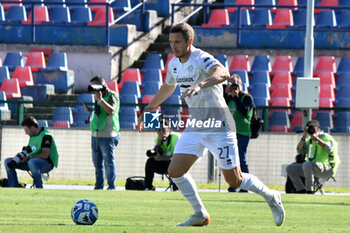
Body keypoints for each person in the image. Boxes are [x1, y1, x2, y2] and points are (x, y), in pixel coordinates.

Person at [138, 22, 285, 227]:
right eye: (171, 42)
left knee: (234, 180)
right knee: (175, 171)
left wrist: (200, 84)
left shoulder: (201, 58)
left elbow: (223, 73)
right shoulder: (173, 63)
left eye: (178, 42)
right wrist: (149, 108)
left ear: (189, 41)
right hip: (196, 125)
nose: (174, 46)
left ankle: (271, 196)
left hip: (220, 125)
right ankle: (200, 214)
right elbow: (168, 86)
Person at [286, 119, 340, 193]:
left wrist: (317, 139)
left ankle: (310, 190)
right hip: (311, 167)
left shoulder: (326, 137)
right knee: (290, 168)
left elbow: (329, 148)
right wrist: (304, 135)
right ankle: (300, 190)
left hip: (327, 168)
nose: (311, 131)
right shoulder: (309, 140)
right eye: (309, 129)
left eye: (313, 129)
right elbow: (299, 150)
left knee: (307, 164)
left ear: (318, 128)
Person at [85, 75, 120, 190]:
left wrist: (100, 100)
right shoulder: (97, 97)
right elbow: (100, 113)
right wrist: (91, 111)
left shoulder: (112, 95)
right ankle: (99, 186)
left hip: (108, 134)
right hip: (95, 134)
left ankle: (111, 186)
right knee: (97, 164)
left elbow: (111, 111)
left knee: (108, 162)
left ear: (102, 86)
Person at [4, 116, 59, 188]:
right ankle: (13, 186)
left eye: (26, 130)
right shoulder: (32, 136)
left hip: (46, 163)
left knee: (32, 162)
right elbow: (30, 150)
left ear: (33, 128)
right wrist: (19, 157)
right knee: (8, 161)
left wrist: (28, 158)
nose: (26, 133)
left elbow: (45, 154)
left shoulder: (46, 136)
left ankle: (38, 187)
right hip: (32, 161)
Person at [224, 73, 254, 193]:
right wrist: (226, 94)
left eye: (235, 84)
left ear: (241, 85)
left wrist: (236, 96)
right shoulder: (228, 97)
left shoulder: (246, 98)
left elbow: (245, 112)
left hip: (242, 133)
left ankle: (245, 185)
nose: (233, 87)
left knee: (241, 159)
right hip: (229, 133)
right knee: (230, 160)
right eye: (230, 84)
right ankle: (233, 184)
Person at [144, 119, 180, 191]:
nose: (161, 133)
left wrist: (162, 158)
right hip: (165, 164)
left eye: (164, 130)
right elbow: (156, 157)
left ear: (169, 130)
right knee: (150, 161)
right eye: (158, 130)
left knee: (173, 162)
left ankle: (176, 188)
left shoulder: (176, 137)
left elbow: (178, 157)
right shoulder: (157, 139)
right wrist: (159, 144)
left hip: (176, 165)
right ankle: (148, 187)